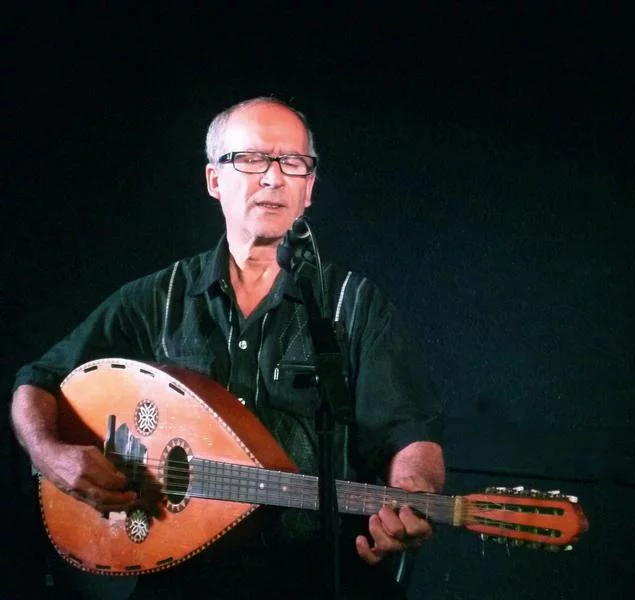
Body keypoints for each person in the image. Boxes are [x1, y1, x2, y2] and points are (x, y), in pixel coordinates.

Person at [10, 96, 445, 599]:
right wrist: (52, 455)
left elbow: (409, 433)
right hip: (181, 580)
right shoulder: (160, 297)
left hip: (316, 581)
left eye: (293, 163)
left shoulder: (355, 306)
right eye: (252, 159)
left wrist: (414, 495)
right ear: (214, 181)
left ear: (310, 189)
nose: (273, 178)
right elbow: (37, 381)